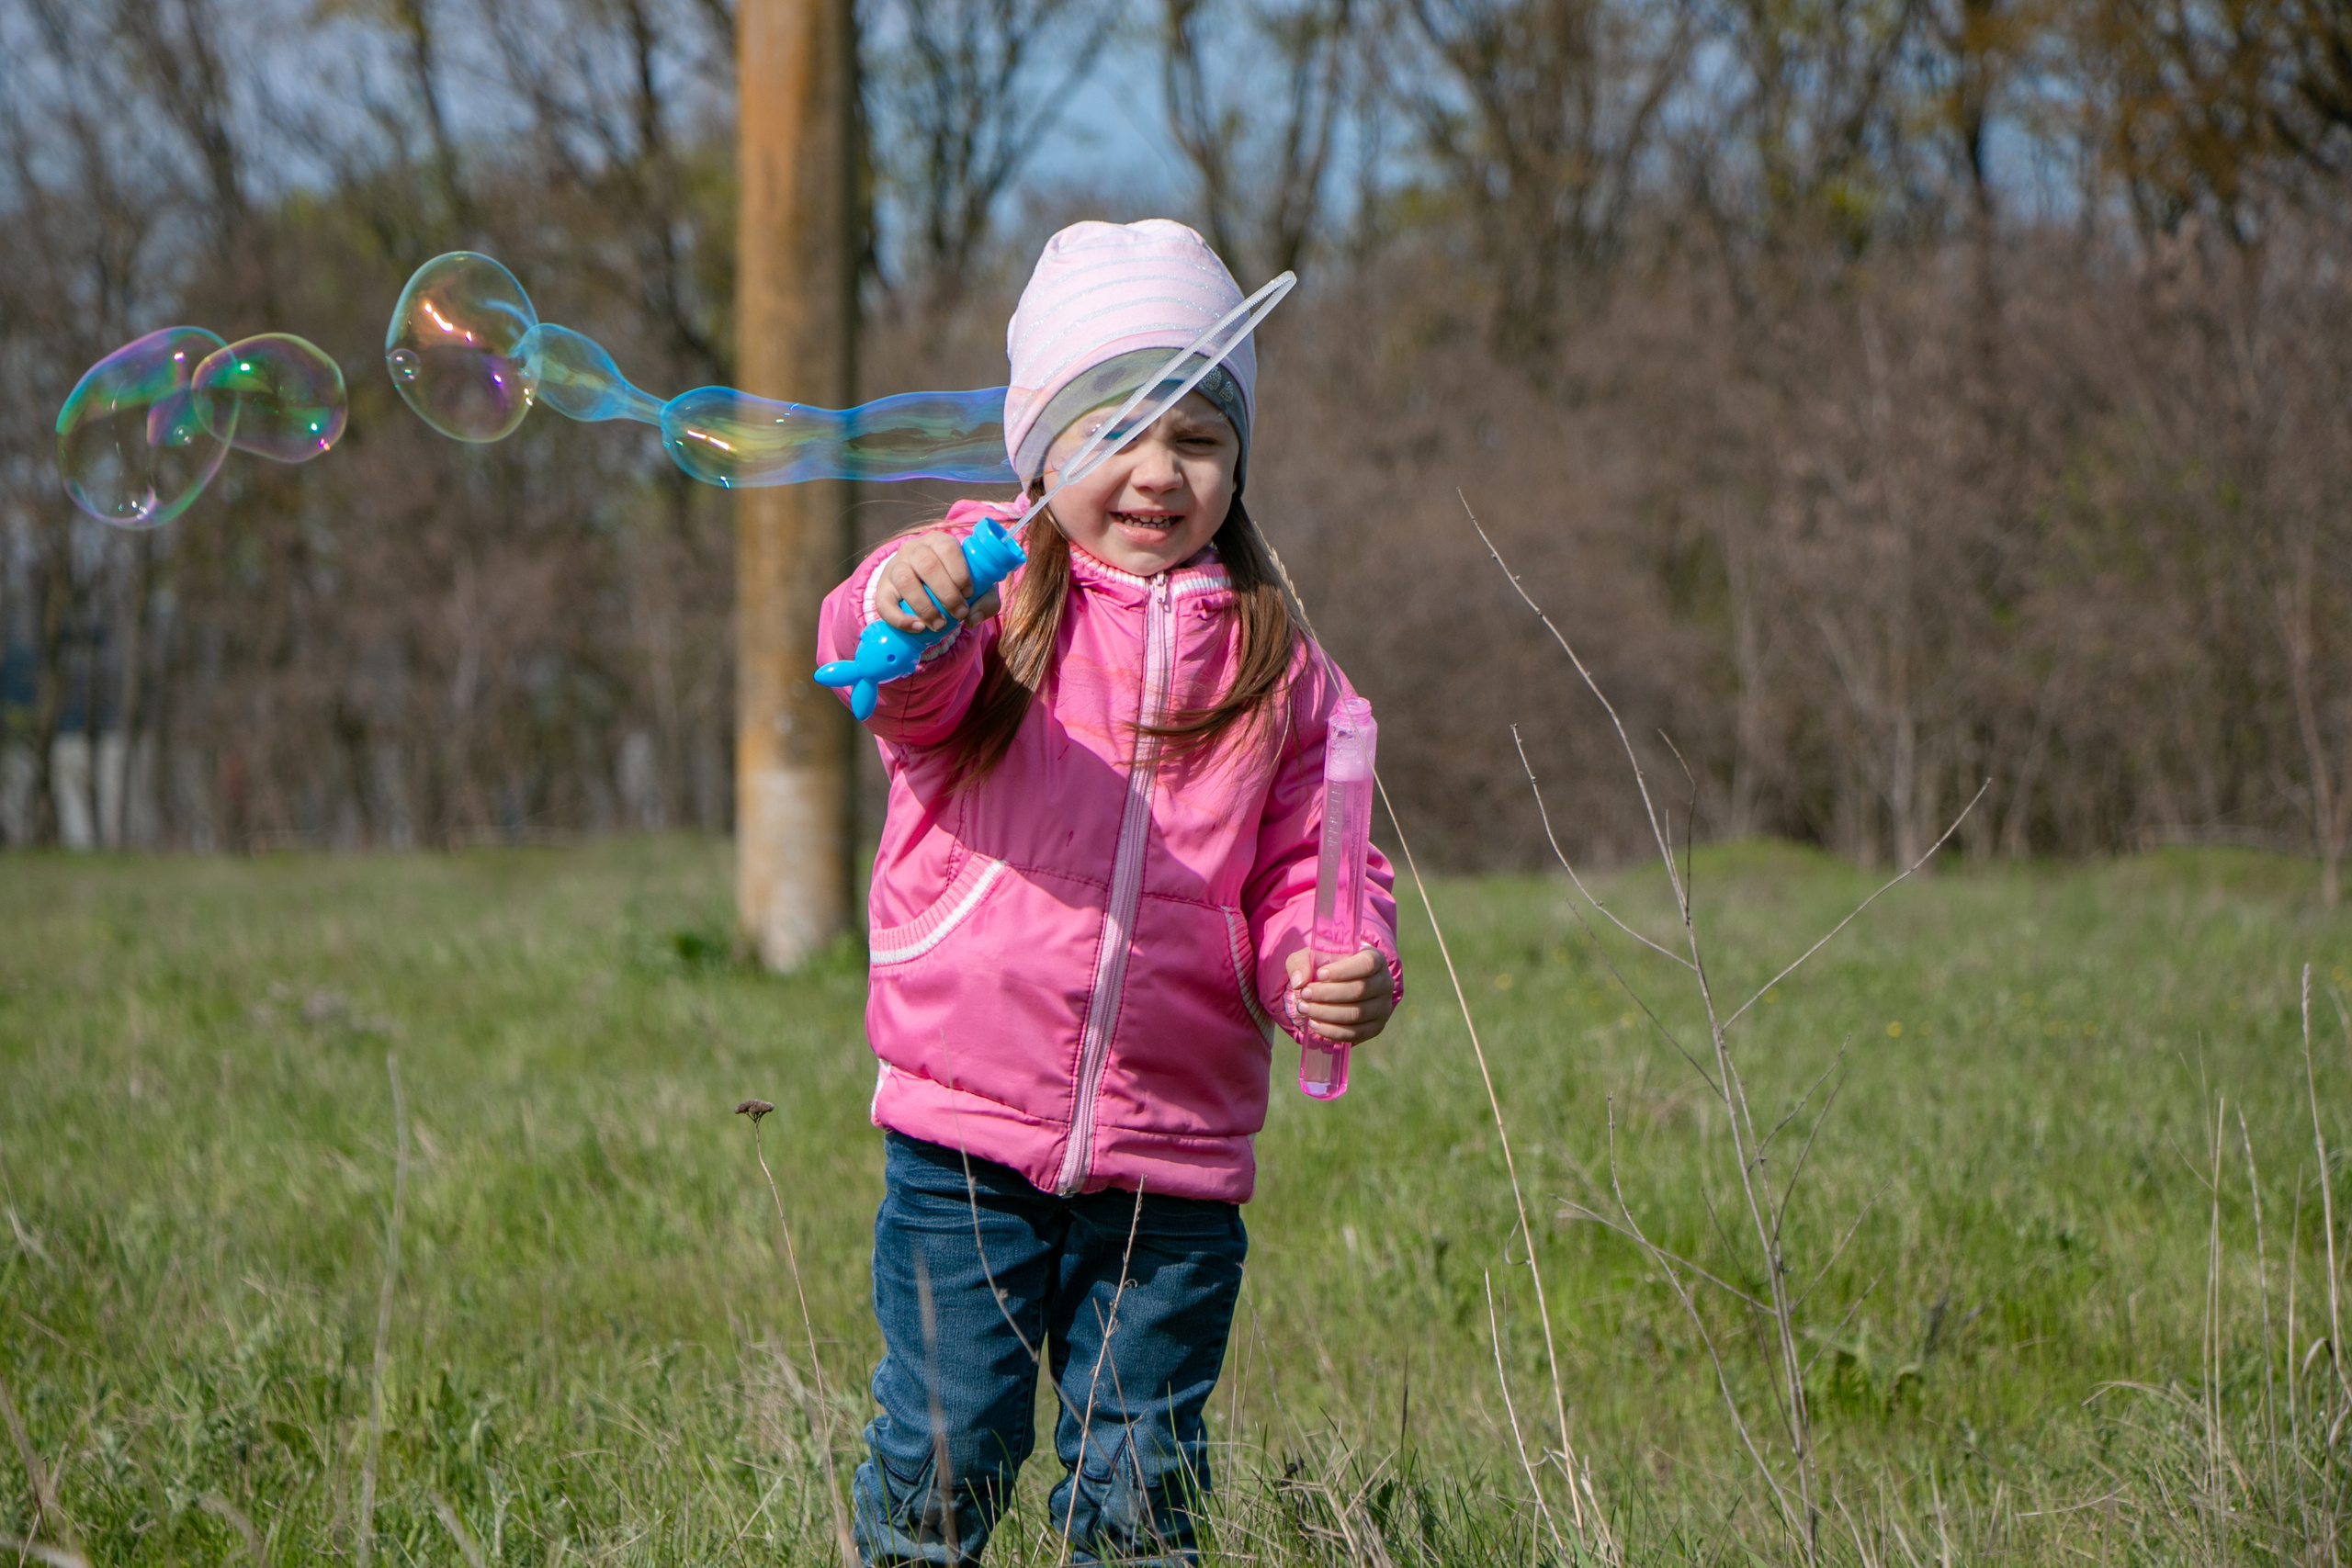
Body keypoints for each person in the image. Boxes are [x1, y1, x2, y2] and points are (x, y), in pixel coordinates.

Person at [816, 219, 1402, 1566]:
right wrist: (903, 604)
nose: (1157, 471)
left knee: (1143, 1492)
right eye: (1116, 430)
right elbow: (894, 676)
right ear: (1040, 451)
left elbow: (1318, 864)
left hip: (1174, 1160)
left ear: (1238, 461)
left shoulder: (1278, 666)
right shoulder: (994, 599)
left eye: (1198, 437)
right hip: (965, 1142)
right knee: (942, 1458)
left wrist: (1335, 961)